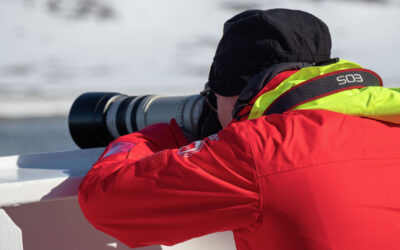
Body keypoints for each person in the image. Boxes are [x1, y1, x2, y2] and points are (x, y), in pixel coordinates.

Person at [78, 9, 400, 250]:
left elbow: (105, 202)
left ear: (237, 96)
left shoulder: (258, 150)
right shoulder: (388, 120)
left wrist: (163, 137)